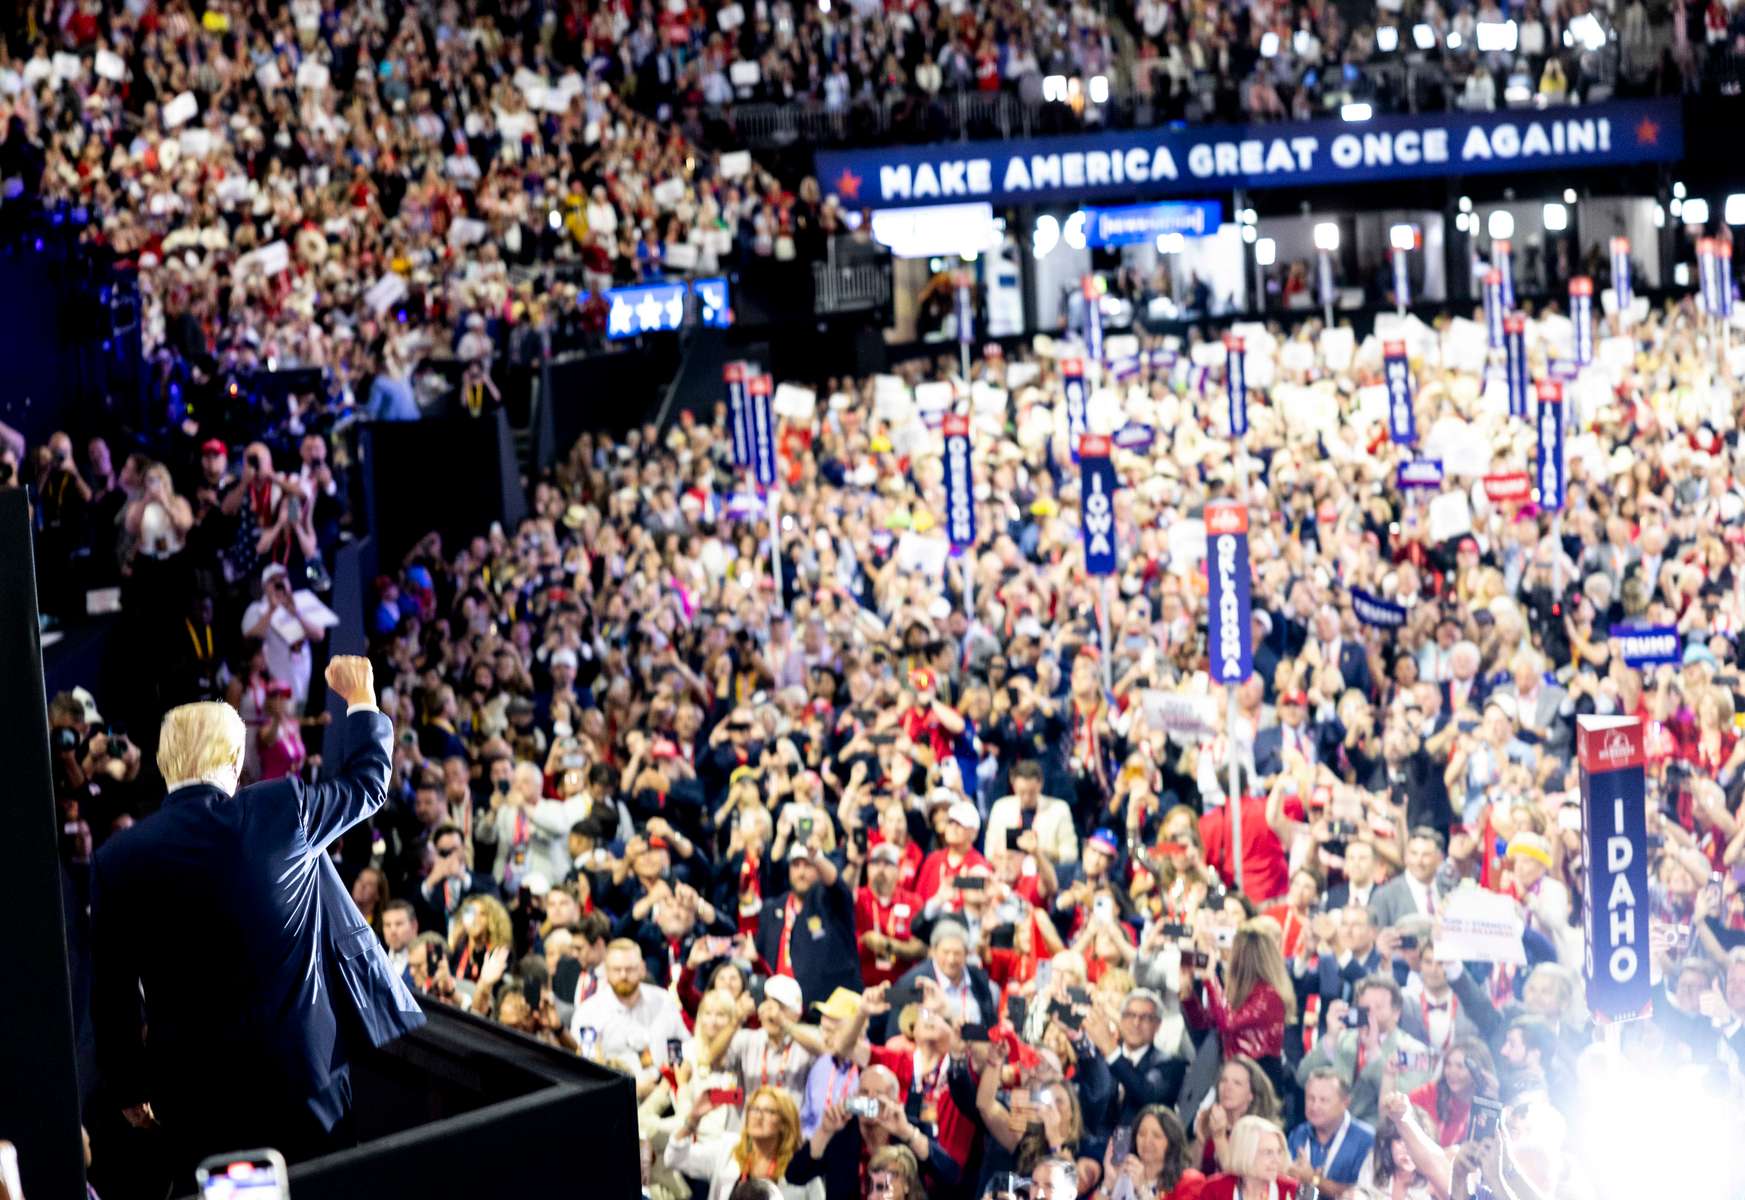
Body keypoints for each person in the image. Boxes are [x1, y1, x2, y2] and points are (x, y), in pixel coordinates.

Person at [89, 658, 423, 1183]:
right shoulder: (279, 809)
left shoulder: (118, 859)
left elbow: (111, 992)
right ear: (238, 755)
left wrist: (131, 1088)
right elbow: (367, 784)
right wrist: (362, 697)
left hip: (193, 1094)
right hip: (302, 1081)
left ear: (162, 760)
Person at [1297, 976, 1434, 1124]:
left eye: (1378, 1007)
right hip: (1332, 1129)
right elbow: (1302, 1077)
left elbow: (1405, 1101)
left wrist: (1374, 1052)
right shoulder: (1342, 1039)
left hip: (1379, 1135)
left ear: (1396, 1013)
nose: (1371, 1015)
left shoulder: (1415, 1051)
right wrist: (1330, 1039)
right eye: (1365, 1008)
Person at [754, 842, 863, 1008]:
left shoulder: (830, 901)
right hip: (781, 1007)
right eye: (796, 865)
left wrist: (817, 857)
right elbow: (761, 956)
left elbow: (837, 885)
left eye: (808, 865)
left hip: (827, 1009)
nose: (801, 872)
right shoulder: (773, 908)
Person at [664, 1084, 814, 1200]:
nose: (758, 1116)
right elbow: (674, 1158)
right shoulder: (728, 1148)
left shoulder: (800, 1165)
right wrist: (693, 1119)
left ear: (784, 1123)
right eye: (754, 1109)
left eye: (769, 1111)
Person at [1285, 1069, 1375, 1197]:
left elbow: (1364, 1195)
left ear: (1345, 1103)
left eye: (1323, 1100)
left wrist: (1313, 1180)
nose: (1315, 1106)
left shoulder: (1367, 1140)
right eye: (1311, 1098)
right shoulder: (1298, 1134)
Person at [1096, 1104, 1203, 1200]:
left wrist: (1142, 1189)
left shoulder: (1190, 1181)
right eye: (1142, 1134)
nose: (1147, 1141)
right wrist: (1108, 1182)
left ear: (1172, 1141)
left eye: (1157, 1136)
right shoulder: (1123, 1174)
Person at [1199, 1115, 1298, 1200]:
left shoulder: (1292, 1191)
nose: (1277, 1160)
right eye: (1268, 1153)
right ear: (1245, 1153)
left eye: (1279, 1152)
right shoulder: (1214, 1190)